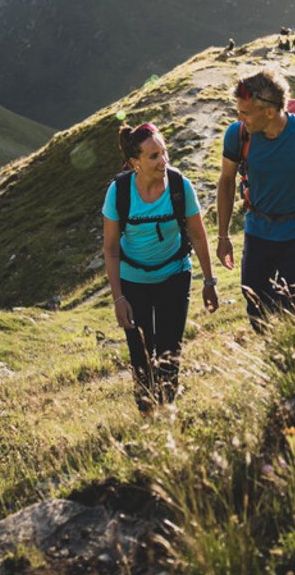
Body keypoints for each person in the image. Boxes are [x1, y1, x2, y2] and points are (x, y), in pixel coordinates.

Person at [102, 122, 218, 412]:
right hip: (133, 282)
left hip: (174, 277)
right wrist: (118, 298)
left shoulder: (180, 186)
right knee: (141, 356)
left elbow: (198, 234)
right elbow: (111, 248)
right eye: (153, 156)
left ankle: (167, 413)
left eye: (164, 152)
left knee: (169, 352)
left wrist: (209, 281)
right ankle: (146, 414)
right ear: (134, 163)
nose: (163, 161)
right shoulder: (119, 193)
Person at [215, 69, 295, 329]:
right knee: (255, 306)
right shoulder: (237, 135)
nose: (240, 118)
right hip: (257, 231)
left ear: (270, 111)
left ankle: (289, 357)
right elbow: (226, 181)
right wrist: (223, 236)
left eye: (246, 113)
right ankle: (267, 355)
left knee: (289, 306)